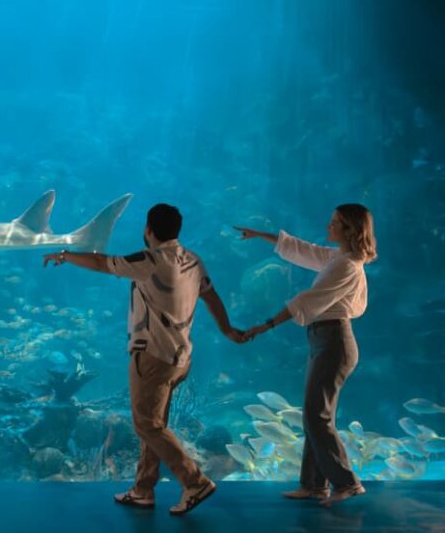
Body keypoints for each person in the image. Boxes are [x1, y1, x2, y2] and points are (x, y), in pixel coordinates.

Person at [44, 203, 245, 515]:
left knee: (146, 424)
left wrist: (66, 255)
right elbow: (211, 295)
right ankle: (143, 489)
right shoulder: (193, 260)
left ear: (148, 230)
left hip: (152, 356)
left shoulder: (149, 260)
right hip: (180, 357)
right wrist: (227, 329)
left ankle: (194, 482)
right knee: (154, 423)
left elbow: (102, 263)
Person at [235, 203, 376, 506]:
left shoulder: (346, 265)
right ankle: (313, 485)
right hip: (324, 340)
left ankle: (347, 483)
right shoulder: (339, 257)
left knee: (316, 415)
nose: (328, 226)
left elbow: (308, 300)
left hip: (335, 343)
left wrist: (267, 325)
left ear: (350, 229)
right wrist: (261, 235)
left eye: (335, 222)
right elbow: (305, 251)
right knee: (315, 414)